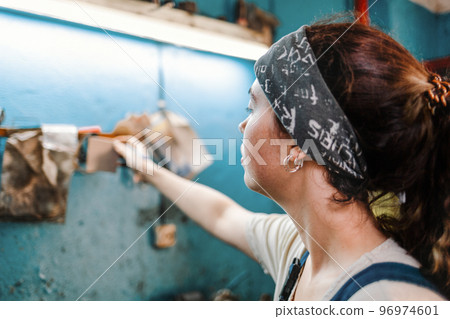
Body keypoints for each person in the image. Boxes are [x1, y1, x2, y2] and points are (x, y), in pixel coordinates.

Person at [114, 21, 449, 301]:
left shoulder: (389, 298)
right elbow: (222, 215)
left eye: (253, 107)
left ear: (299, 145)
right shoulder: (300, 248)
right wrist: (148, 168)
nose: (242, 125)